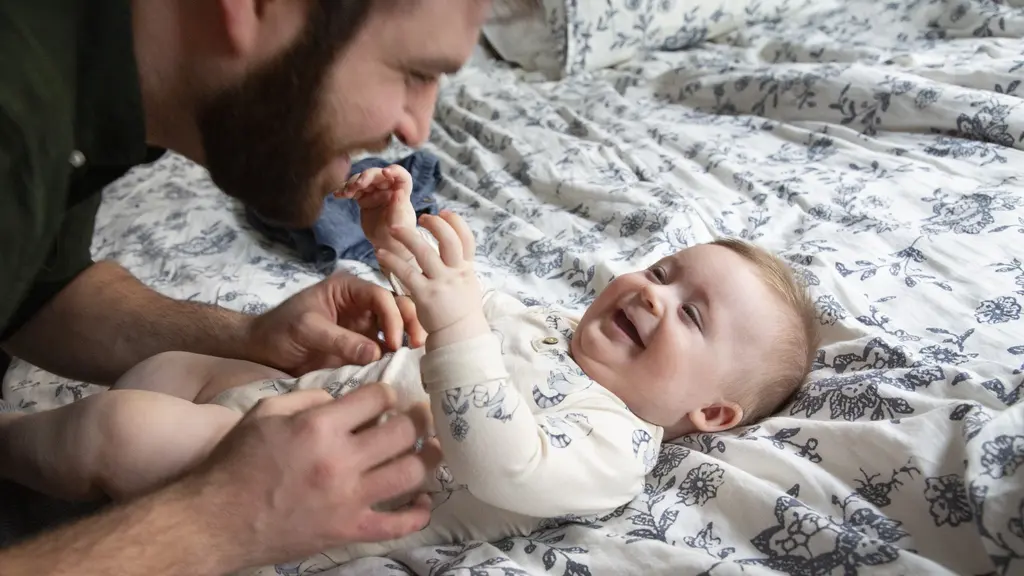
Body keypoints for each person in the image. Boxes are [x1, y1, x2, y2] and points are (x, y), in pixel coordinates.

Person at [11, 165, 822, 574]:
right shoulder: (542, 330)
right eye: (664, 271)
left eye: (692, 315)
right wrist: (396, 235)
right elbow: (432, 310)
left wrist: (461, 319)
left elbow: (502, 461)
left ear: (712, 414)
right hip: (276, 401)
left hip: (287, 480)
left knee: (116, 430)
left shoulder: (615, 447)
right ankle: (61, 497)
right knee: (166, 366)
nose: (651, 292)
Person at [0, 0, 496, 573]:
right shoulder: (16, 125)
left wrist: (249, 339)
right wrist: (216, 520)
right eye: (415, 72)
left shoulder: (83, 77)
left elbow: (41, 294)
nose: (418, 128)